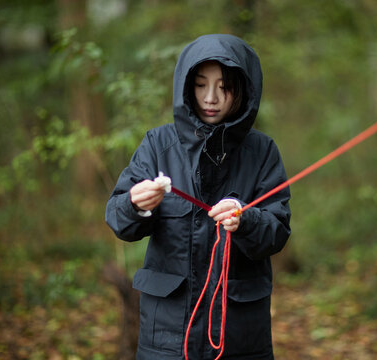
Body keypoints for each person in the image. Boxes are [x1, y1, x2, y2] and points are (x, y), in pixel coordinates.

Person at [105, 34, 291, 360]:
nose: (211, 97)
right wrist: (135, 205)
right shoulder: (157, 145)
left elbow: (277, 230)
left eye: (224, 87)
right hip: (166, 337)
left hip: (240, 338)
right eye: (201, 85)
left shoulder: (262, 152)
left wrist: (246, 218)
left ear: (243, 90)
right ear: (186, 87)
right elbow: (119, 219)